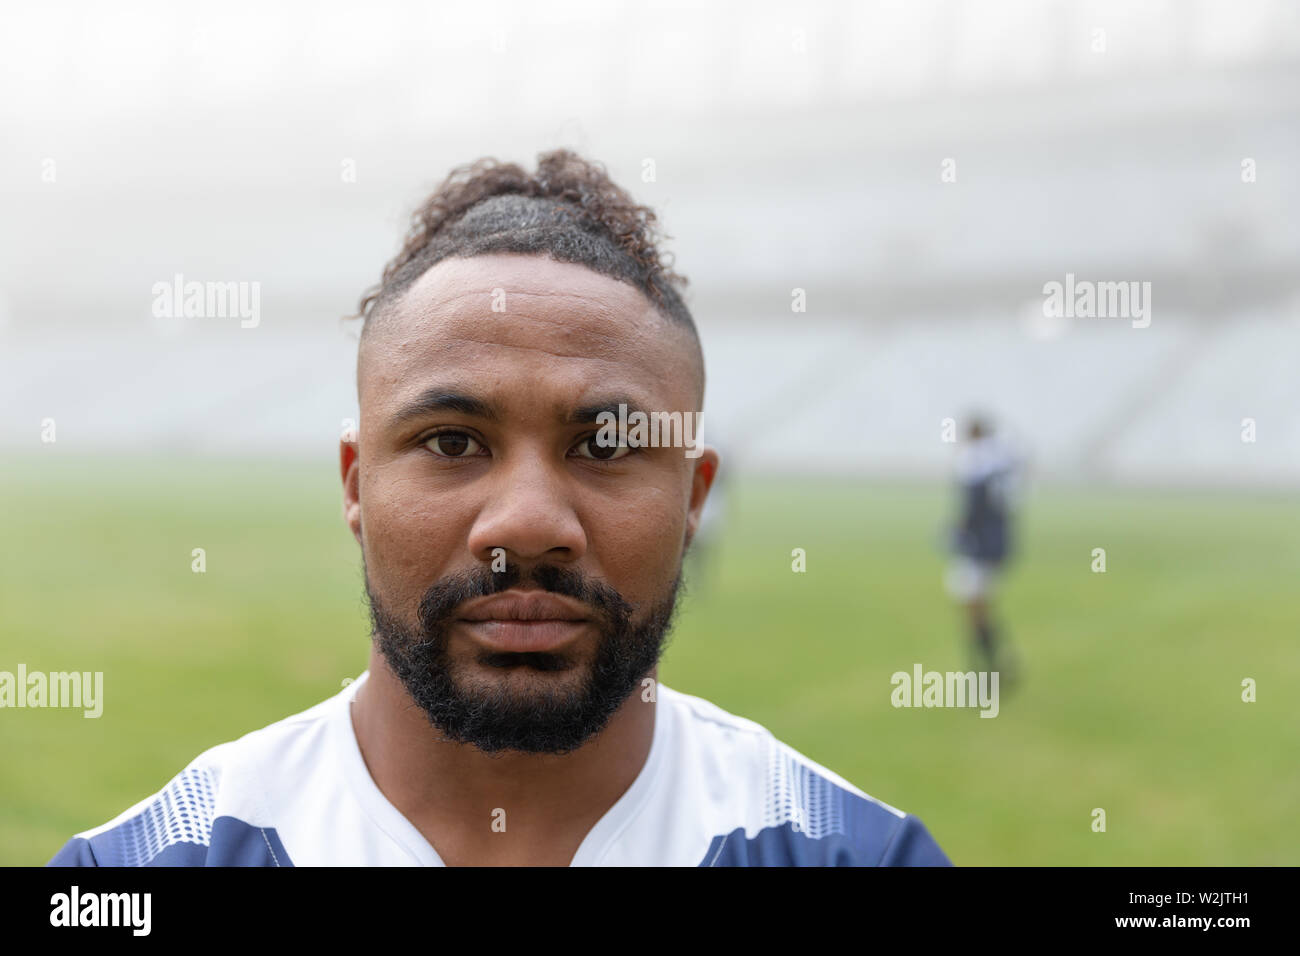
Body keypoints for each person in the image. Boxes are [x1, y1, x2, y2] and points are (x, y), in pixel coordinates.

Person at [49, 150, 949, 867]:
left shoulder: (856, 856)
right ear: (357, 485)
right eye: (451, 442)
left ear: (693, 500)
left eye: (605, 446)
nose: (524, 524)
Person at [946, 416, 1021, 682]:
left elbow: (972, 507)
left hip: (978, 547)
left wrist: (959, 532)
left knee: (975, 610)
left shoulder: (976, 462)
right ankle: (993, 666)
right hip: (995, 546)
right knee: (981, 608)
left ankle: (988, 669)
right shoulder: (1002, 462)